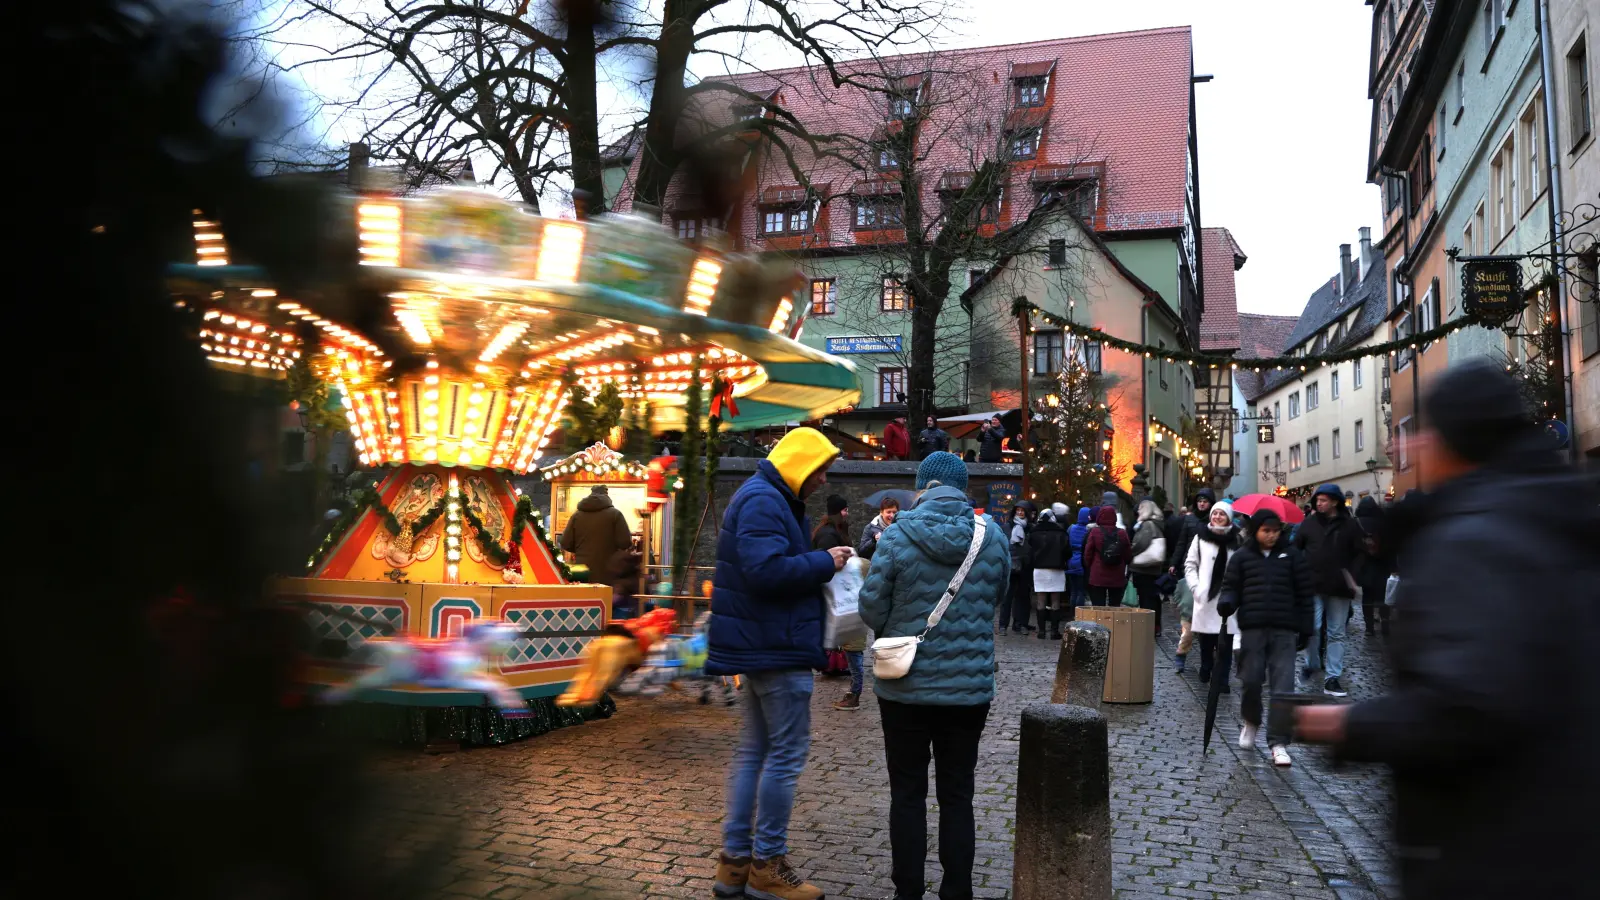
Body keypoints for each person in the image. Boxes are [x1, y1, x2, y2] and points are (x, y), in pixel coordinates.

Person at [1295, 359, 1600, 899]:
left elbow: (1468, 706)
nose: (1407, 449)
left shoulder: (1475, 538)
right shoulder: (1554, 509)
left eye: (1418, 433)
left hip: (1494, 845)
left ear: (1451, 441)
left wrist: (1346, 725)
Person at [707, 427, 850, 900]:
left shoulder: (762, 497)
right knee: (783, 757)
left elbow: (761, 565)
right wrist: (824, 561)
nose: (824, 479)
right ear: (800, 465)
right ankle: (767, 863)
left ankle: (734, 866)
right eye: (820, 469)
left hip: (762, 643)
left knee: (754, 754)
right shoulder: (766, 500)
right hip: (776, 645)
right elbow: (765, 571)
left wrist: (814, 559)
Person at [859, 451, 1010, 900]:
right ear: (963, 489)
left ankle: (908, 892)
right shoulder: (993, 535)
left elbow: (871, 607)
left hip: (905, 687)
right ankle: (957, 891)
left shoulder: (896, 532)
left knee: (907, 793)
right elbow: (997, 596)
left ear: (922, 487)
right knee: (957, 794)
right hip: (968, 691)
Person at [1216, 509, 1314, 767]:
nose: (1271, 536)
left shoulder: (1292, 557)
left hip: (1284, 629)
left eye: (1275, 531)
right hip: (1253, 629)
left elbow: (1305, 593)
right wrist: (1227, 603)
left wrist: (1306, 627)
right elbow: (1231, 588)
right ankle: (1251, 720)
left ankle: (1278, 742)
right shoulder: (1242, 557)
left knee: (1283, 687)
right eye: (1266, 530)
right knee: (1251, 680)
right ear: (1255, 530)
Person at [1293, 483, 1362, 697]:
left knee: (1336, 633)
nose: (1319, 503)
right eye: (1317, 500)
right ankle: (1312, 663)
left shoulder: (1350, 525)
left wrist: (1353, 576)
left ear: (1334, 501)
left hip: (1339, 587)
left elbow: (1359, 553)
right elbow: (1296, 549)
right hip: (1312, 584)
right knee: (1312, 627)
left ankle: (1332, 678)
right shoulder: (1309, 524)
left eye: (1323, 500)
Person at [1182, 500, 1241, 685]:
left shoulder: (1238, 539)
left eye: (1222, 514)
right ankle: (1206, 668)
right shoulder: (1201, 537)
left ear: (1229, 517)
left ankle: (1223, 678)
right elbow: (1190, 564)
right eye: (1215, 513)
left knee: (1226, 639)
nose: (1217, 517)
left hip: (1228, 596)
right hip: (1206, 596)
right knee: (1206, 639)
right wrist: (1196, 587)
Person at [560, 485, 632, 587]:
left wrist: (580, 550)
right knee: (605, 600)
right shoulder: (615, 514)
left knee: (585, 600)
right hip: (609, 571)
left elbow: (565, 542)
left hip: (583, 571)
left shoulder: (577, 515)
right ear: (607, 495)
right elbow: (625, 542)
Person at [1027, 504, 1070, 640]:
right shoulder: (1061, 533)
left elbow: (1029, 551)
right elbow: (1068, 552)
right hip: (1057, 569)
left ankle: (1041, 632)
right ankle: (1054, 632)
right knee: (1055, 600)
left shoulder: (1033, 533)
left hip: (1039, 569)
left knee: (1041, 599)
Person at [1351, 496, 1392, 638]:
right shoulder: (1384, 522)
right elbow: (1390, 545)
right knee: (1383, 596)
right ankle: (1385, 622)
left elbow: (1353, 546)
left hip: (1364, 564)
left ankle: (1369, 627)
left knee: (1367, 596)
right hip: (1382, 563)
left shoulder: (1356, 523)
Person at [1127, 499, 1169, 635]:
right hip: (1153, 568)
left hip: (1143, 568)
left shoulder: (1147, 525)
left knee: (1146, 599)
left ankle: (1148, 627)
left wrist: (1131, 551)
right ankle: (1155, 626)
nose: (1138, 510)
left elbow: (1141, 543)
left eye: (1140, 508)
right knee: (1153, 598)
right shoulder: (1157, 523)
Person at [1082, 506, 1130, 607]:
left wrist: (1089, 566)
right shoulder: (1122, 533)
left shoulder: (1094, 532)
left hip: (1098, 575)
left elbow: (1088, 553)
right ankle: (1113, 623)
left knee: (1098, 608)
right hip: (1117, 576)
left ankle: (1100, 623)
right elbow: (1128, 555)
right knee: (1115, 608)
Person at [1165, 488, 1214, 578]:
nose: (1202, 504)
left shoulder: (1214, 519)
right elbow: (1181, 543)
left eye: (1205, 501)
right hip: (1189, 561)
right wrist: (1173, 563)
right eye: (1199, 501)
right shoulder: (1189, 519)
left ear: (1210, 503)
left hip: (1208, 562)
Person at [997, 502, 1030, 634]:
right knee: (1007, 597)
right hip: (1010, 564)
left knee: (1022, 597)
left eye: (1023, 511)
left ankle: (1020, 624)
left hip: (1024, 565)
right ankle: (1003, 625)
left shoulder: (1029, 528)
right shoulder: (1007, 527)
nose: (1020, 513)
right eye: (1018, 510)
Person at [856, 496, 900, 561]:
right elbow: (861, 553)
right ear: (881, 512)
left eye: (894, 512)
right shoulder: (870, 528)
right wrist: (873, 541)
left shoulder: (902, 527)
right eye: (888, 512)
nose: (892, 516)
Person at [1066, 507, 1090, 610]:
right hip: (1082, 562)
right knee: (1081, 591)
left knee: (1073, 590)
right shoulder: (1089, 530)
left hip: (1071, 561)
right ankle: (1079, 614)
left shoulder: (1071, 528)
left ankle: (1072, 612)